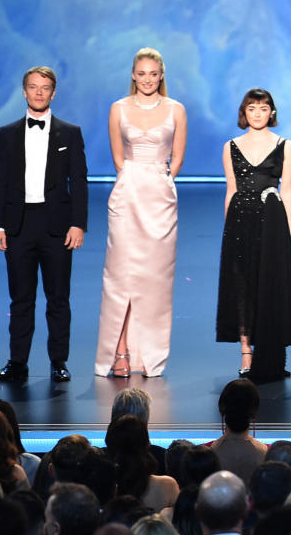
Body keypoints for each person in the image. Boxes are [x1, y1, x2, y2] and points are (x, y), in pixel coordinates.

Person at [0, 66, 88, 383]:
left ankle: (59, 361)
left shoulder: (70, 133)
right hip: (18, 225)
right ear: (24, 91)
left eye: (45, 87)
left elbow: (80, 182)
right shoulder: (7, 134)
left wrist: (78, 224)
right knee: (20, 298)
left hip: (56, 225)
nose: (39, 92)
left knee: (58, 298)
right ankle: (17, 361)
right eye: (33, 87)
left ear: (53, 92)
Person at [94, 47, 187, 378]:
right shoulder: (118, 108)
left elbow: (176, 158)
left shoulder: (176, 109)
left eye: (153, 73)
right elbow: (118, 158)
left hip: (160, 198)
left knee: (154, 278)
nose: (147, 79)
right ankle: (119, 350)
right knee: (120, 274)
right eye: (141, 73)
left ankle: (148, 353)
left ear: (161, 75)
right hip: (128, 192)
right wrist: (136, 179)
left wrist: (160, 182)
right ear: (133, 74)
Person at [216, 88, 291, 382]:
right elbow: (231, 189)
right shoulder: (231, 146)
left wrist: (288, 233)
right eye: (251, 108)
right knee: (242, 287)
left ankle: (272, 353)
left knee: (270, 287)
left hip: (271, 222)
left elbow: (286, 191)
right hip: (240, 223)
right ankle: (246, 353)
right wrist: (228, 230)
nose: (257, 113)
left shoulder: (285, 146)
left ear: (271, 113)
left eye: (263, 108)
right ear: (244, 112)